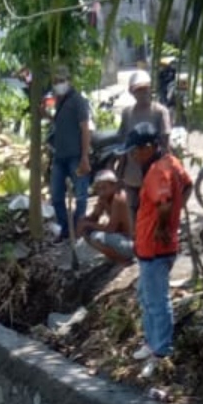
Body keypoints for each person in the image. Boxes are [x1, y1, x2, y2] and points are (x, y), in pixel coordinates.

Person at [125, 121, 192, 362]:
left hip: (155, 248)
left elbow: (164, 204)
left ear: (149, 147)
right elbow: (188, 185)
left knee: (156, 300)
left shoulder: (156, 171)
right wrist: (176, 214)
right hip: (152, 246)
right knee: (147, 296)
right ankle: (152, 342)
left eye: (136, 151)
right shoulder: (172, 162)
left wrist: (164, 226)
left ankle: (161, 349)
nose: (133, 156)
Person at [115, 70, 172, 216]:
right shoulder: (127, 113)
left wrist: (165, 171)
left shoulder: (159, 112)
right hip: (132, 174)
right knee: (134, 213)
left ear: (150, 89)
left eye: (144, 89)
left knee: (153, 213)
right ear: (132, 92)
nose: (142, 93)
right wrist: (119, 174)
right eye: (138, 90)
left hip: (153, 173)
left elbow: (165, 143)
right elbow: (123, 144)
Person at [47, 65, 91, 243]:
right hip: (59, 156)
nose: (58, 84)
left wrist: (85, 156)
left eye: (61, 81)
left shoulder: (78, 100)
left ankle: (79, 227)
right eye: (56, 81)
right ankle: (66, 228)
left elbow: (85, 129)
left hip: (75, 155)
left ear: (68, 81)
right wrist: (47, 116)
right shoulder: (58, 101)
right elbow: (60, 123)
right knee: (56, 196)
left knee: (81, 194)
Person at [79, 168, 135, 264]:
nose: (101, 192)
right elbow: (94, 217)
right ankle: (115, 257)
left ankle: (123, 260)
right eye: (99, 189)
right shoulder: (104, 198)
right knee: (87, 233)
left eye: (104, 188)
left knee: (96, 238)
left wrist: (88, 224)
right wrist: (85, 220)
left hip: (129, 243)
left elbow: (111, 229)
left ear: (114, 186)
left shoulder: (118, 198)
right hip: (119, 238)